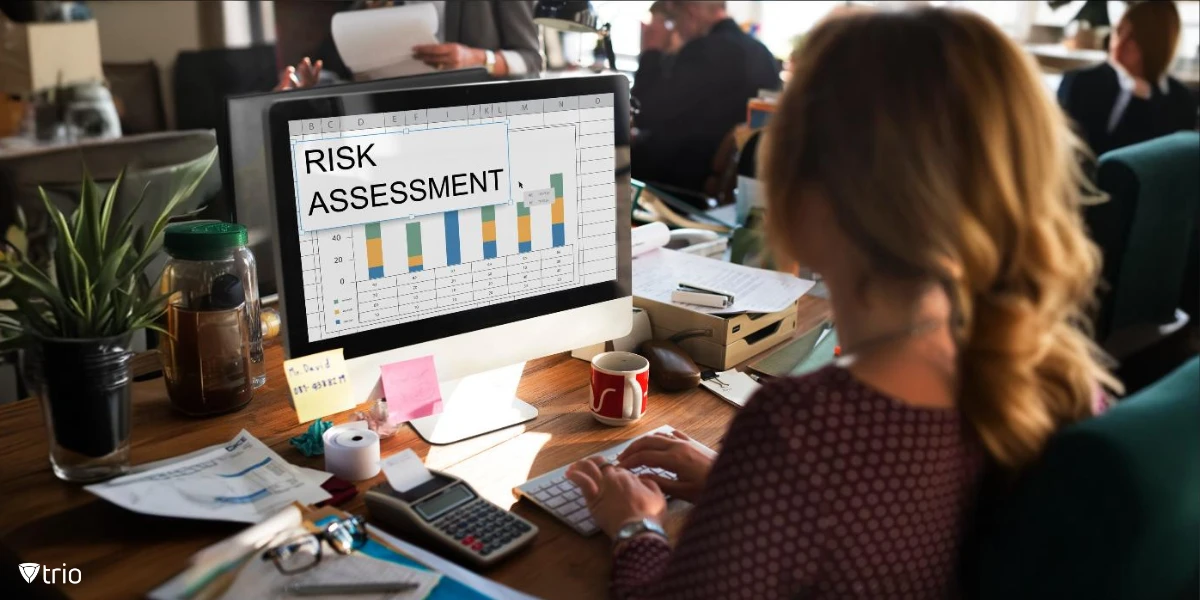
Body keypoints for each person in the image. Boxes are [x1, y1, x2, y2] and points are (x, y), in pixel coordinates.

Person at [567, 7, 1119, 599]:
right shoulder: (1056, 379)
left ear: (807, 199)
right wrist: (747, 493)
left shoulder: (803, 434)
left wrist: (635, 526)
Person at [631, 1, 780, 194]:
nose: (675, 28)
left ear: (691, 13)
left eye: (675, 19)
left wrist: (652, 50)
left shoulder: (704, 50)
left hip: (682, 185)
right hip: (739, 190)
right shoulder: (763, 54)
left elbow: (644, 112)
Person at [275, 0, 542, 90]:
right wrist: (316, 84)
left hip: (477, 121)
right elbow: (341, 67)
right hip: (401, 124)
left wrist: (476, 58)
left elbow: (532, 60)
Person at [1057, 1, 1198, 157]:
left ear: (1157, 42)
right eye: (1119, 31)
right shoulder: (1079, 82)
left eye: (1133, 37)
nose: (1120, 43)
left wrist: (1140, 99)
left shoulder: (1181, 101)